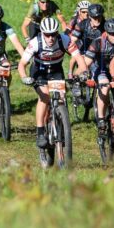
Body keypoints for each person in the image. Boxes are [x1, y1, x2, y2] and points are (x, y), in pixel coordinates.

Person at [18, 17, 90, 148]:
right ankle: (40, 132)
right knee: (44, 96)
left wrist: (82, 73)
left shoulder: (65, 40)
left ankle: (61, 125)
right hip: (39, 72)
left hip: (56, 70)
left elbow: (80, 60)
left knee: (62, 97)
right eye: (47, 35)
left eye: (54, 34)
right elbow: (22, 64)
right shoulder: (35, 43)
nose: (51, 38)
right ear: (42, 33)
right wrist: (24, 77)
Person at [83, 17, 114, 138]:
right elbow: (86, 62)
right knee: (105, 87)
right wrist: (83, 75)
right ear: (106, 32)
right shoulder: (98, 42)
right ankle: (101, 119)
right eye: (112, 34)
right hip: (100, 69)